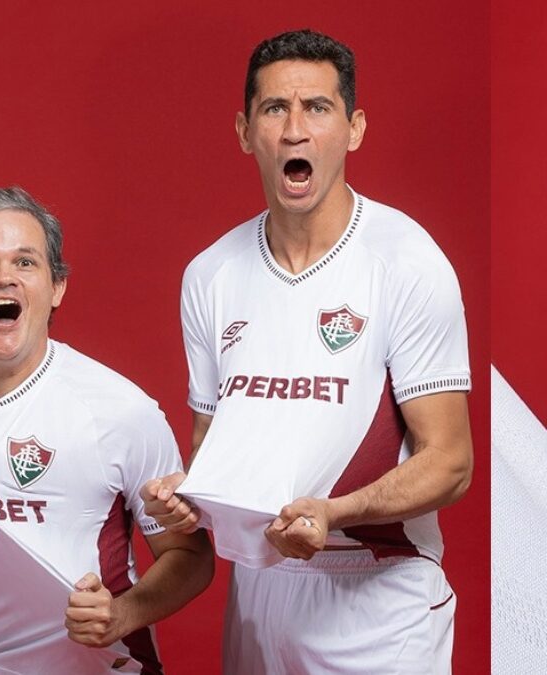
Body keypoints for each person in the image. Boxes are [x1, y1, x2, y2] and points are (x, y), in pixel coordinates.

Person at [142, 29, 473, 673]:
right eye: (275, 109)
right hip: (262, 588)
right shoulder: (210, 275)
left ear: (353, 129)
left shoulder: (406, 261)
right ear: (245, 131)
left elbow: (451, 463)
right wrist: (189, 497)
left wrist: (334, 511)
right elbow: (215, 449)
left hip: (377, 586)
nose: (295, 130)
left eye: (317, 108)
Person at [0, 187, 214, 674]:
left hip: (103, 665)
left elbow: (191, 557)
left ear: (57, 287)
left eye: (25, 263)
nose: (4, 278)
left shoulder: (122, 409)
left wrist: (122, 614)